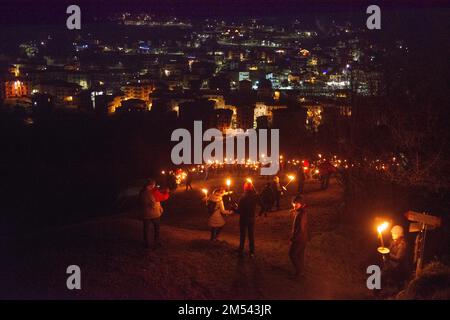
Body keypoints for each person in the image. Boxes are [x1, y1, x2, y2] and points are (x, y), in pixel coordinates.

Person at [139, 179, 170, 249]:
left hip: (145, 213)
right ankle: (156, 242)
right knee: (156, 228)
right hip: (154, 213)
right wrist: (166, 193)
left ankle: (147, 243)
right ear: (149, 185)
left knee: (146, 229)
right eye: (153, 185)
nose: (154, 186)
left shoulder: (142, 192)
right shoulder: (151, 193)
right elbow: (160, 198)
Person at [237, 181, 260, 257]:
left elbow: (239, 211)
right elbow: (262, 205)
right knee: (251, 235)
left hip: (243, 218)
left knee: (243, 235)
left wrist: (234, 209)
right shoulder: (255, 196)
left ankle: (241, 250)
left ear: (245, 188)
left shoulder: (243, 197)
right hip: (251, 218)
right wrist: (259, 214)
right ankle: (252, 251)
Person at [289, 195, 309, 278]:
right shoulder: (301, 212)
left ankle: (299, 272)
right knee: (300, 255)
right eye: (294, 203)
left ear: (301, 204)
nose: (294, 205)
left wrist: (293, 238)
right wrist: (295, 212)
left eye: (296, 203)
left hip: (299, 239)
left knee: (292, 254)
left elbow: (300, 228)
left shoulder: (301, 215)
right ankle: (301, 272)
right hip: (303, 238)